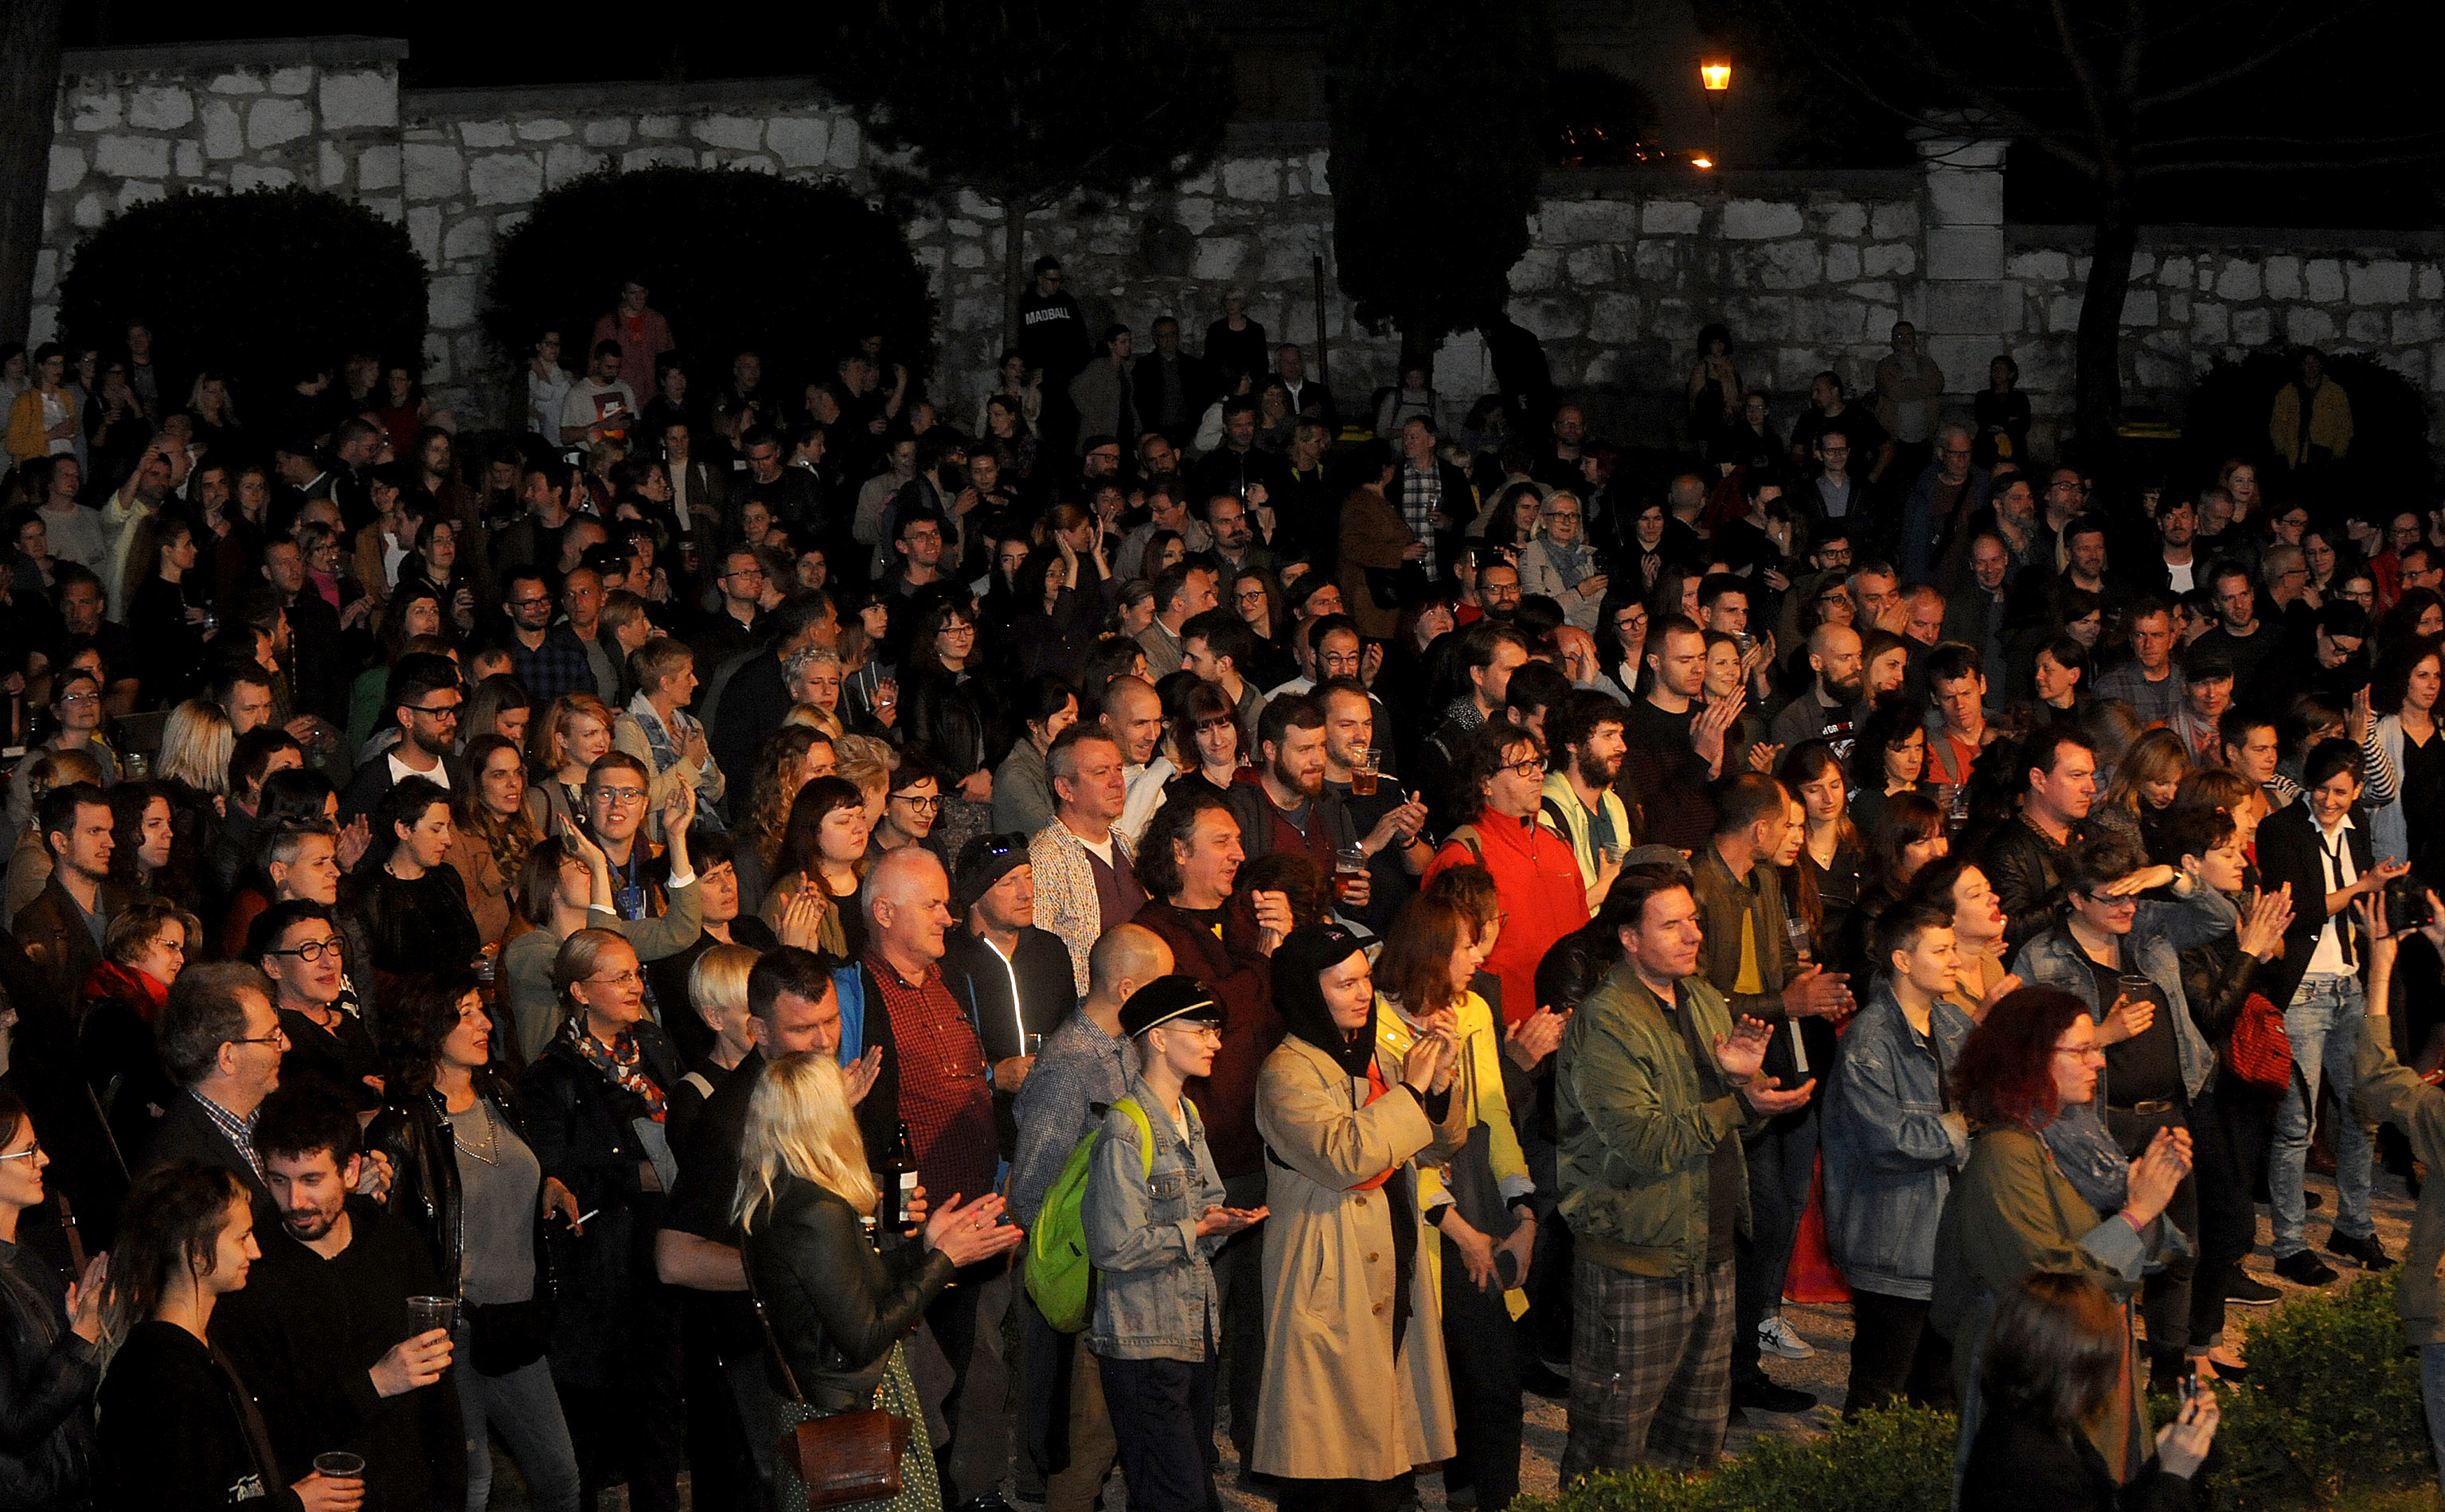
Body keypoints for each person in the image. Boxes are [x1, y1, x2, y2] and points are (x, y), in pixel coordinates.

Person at [1555, 864, 1811, 1474]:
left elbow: (1722, 1122)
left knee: (1693, 1446)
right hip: (1635, 1257)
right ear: (1628, 937)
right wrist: (1736, 1101)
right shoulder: (1605, 1020)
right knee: (1612, 1449)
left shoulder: (1698, 996)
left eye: (1692, 919)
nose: (1693, 934)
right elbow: (1644, 1140)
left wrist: (1745, 1088)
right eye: (1671, 924)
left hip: (1709, 1247)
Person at [735, 1052, 1022, 1512]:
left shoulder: (778, 1190)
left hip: (818, 1401)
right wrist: (945, 1261)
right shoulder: (815, 1210)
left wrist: (927, 1247)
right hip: (849, 1411)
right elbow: (864, 1334)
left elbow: (848, 1284)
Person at [1931, 987, 2193, 1487]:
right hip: (2034, 1387)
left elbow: (2130, 1252)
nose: (2099, 1061)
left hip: (2070, 1376)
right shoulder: (2005, 1157)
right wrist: (2137, 1214)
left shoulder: (2059, 1143)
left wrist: (2149, 1197)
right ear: (2030, 1061)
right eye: (2082, 1050)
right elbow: (2045, 1287)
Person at [2010, 835, 2239, 1388]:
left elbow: (2218, 918)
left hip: (2167, 1112)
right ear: (2074, 898)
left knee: (2179, 1247)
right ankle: (2096, 1371)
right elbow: (2027, 1049)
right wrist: (2104, 1035)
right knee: (2106, 1251)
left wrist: (2170, 873)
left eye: (2129, 895)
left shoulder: (2149, 928)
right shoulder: (2041, 957)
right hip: (2093, 1122)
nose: (2124, 907)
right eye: (2109, 898)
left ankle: (2166, 1372)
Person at [1252, 922, 1459, 1512]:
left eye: (1365, 980)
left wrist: (1437, 1087)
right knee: (1327, 1457)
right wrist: (1412, 1093)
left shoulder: (1375, 1061)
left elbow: (1438, 1145)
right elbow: (1347, 1155)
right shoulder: (1285, 1073)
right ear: (1307, 991)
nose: (1362, 994)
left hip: (1387, 1271)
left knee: (1380, 1440)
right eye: (1344, 984)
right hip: (1327, 1279)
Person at [366, 972, 584, 1512]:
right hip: (452, 1331)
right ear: (429, 1027)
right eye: (466, 1012)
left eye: (482, 1010)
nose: (486, 1023)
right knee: (472, 1482)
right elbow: (386, 1244)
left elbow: (502, 1178)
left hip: (516, 1324)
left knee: (560, 1477)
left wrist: (546, 1185)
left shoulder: (502, 1095)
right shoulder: (401, 1127)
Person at [209, 1089, 463, 1511]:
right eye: (278, 1180)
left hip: (410, 1492)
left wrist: (451, 1493)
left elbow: (441, 1398)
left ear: (350, 1169)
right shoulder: (249, 1272)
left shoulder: (396, 1245)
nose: (295, 1202)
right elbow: (266, 1419)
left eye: (311, 1180)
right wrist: (374, 1384)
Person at [1688, 774, 1853, 1412]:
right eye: (1785, 823)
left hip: (1769, 1057)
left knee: (1774, 1211)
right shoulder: (1696, 888)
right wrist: (1781, 1001)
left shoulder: (1762, 880)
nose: (1793, 833)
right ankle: (1715, 1376)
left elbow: (1782, 964)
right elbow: (1695, 996)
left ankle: (1742, 1366)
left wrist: (1815, 989)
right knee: (1737, 1222)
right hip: (1714, 1072)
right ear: (1758, 829)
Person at [1376, 893, 1533, 1512]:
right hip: (1414, 1218)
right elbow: (1397, 1147)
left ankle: (1492, 1496)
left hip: (1474, 1195)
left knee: (1493, 1372)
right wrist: (1461, 1231)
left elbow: (1492, 1112)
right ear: (1432, 952)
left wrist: (1521, 1209)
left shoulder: (1470, 1012)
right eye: (1467, 945)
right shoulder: (1377, 1023)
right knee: (1414, 1374)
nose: (1478, 956)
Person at [1083, 976, 1264, 1512]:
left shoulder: (1189, 1117)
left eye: (1216, 1030)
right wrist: (1199, 1229)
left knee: (1176, 1491)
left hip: (1189, 1330)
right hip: (1142, 1340)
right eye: (1203, 1029)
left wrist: (1220, 1221)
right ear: (1158, 1038)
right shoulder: (1125, 1127)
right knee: (1176, 1493)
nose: (1216, 1041)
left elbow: (1202, 1205)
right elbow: (1113, 1246)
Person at [521, 928, 685, 1512]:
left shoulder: (656, 1048)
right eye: (618, 977)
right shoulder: (553, 1075)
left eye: (636, 973)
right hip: (601, 1271)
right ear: (578, 991)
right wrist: (629, 1179)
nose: (635, 986)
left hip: (664, 1254)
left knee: (662, 1417)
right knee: (591, 1429)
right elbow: (552, 1177)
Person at [96, 1161, 368, 1512]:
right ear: (196, 1251)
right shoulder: (163, 1374)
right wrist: (294, 1504)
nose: (255, 1251)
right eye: (242, 1237)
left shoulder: (201, 1351)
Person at [2256, 740, 2404, 1284]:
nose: (2328, 799)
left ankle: (2354, 1224)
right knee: (2296, 1125)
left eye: (2340, 791)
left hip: (2347, 982)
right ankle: (2289, 1243)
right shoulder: (2280, 830)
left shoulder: (2355, 825)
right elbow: (2294, 911)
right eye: (2320, 788)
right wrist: (2360, 886)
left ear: (2357, 791)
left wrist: (2376, 893)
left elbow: (2354, 898)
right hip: (2300, 990)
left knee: (2360, 1111)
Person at [1822, 903, 1975, 1415]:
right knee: (1879, 1394)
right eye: (1941, 950)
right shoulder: (1869, 1043)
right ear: (1903, 961)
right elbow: (1888, 1142)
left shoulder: (1953, 1023)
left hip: (1948, 1241)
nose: (1955, 960)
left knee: (1940, 1390)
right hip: (1892, 1246)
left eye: (1953, 948)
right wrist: (1964, 1125)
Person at [1959, 1272, 2221, 1510]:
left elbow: (2109, 1504)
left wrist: (2172, 1458)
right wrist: (2173, 1477)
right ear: (2082, 1370)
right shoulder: (2031, 1460)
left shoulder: (2035, 1423)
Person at [1424, 726, 1588, 1027]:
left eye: (1538, 764)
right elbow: (1443, 963)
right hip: (1503, 1034)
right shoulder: (1463, 855)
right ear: (1485, 783)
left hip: (1573, 1027)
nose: (1538, 775)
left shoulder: (1557, 843)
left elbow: (1585, 938)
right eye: (1523, 768)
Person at [0, 1085, 105, 1510]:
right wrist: (81, 1337)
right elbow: (14, 1425)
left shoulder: (25, 1258)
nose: (43, 1160)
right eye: (28, 1151)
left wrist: (81, 1326)